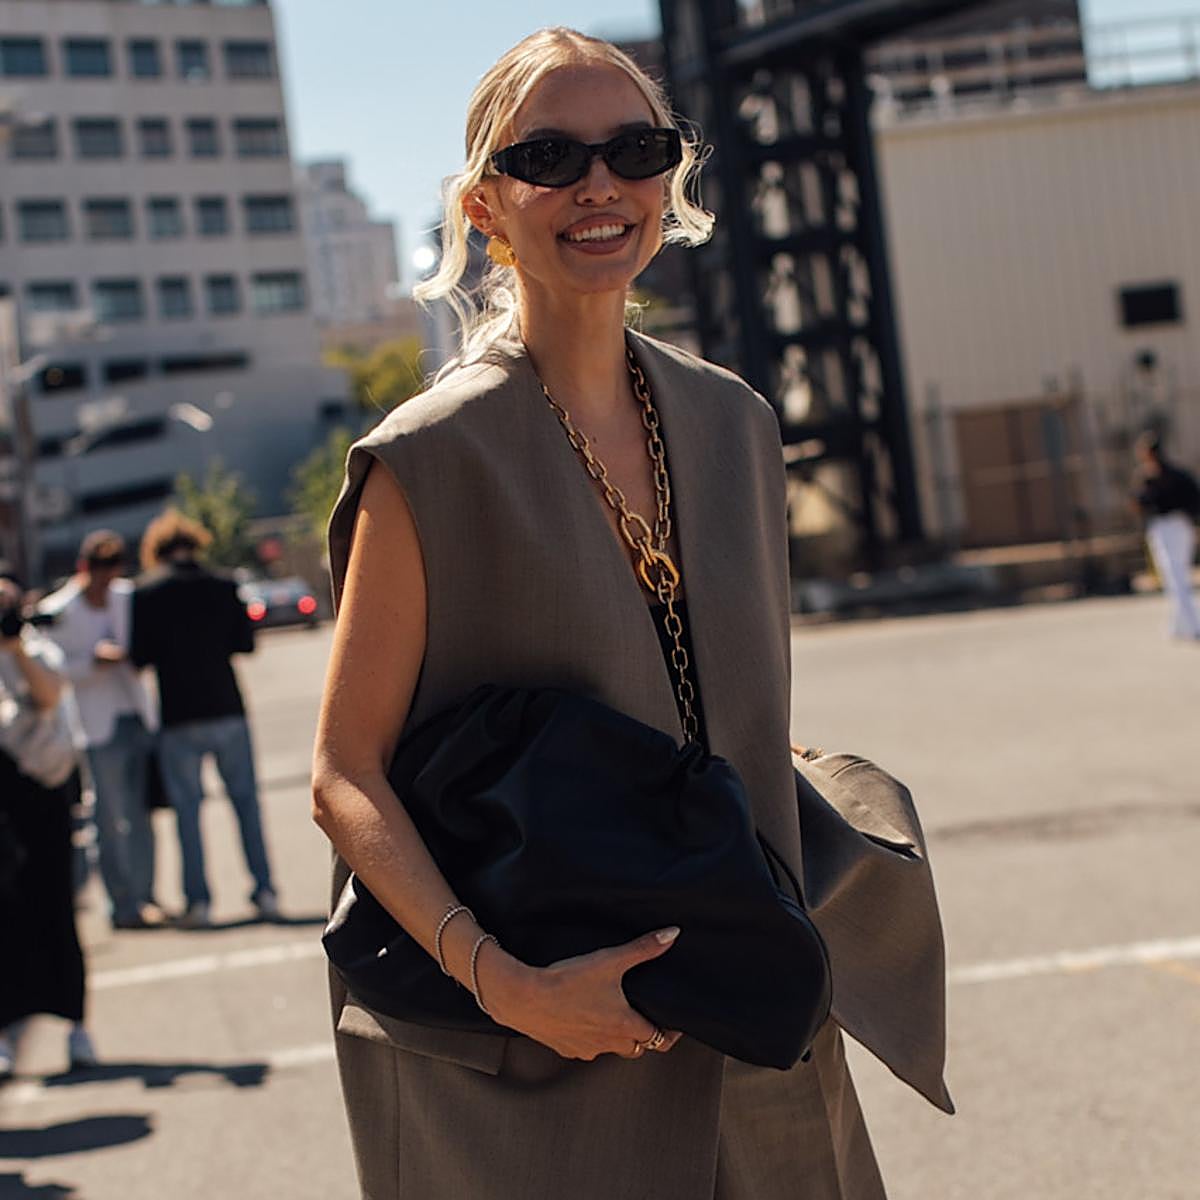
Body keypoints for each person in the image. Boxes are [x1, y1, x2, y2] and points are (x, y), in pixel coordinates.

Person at [312, 29, 948, 1199]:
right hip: (537, 1053)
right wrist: (504, 981)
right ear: (486, 204)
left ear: (670, 180)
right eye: (549, 156)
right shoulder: (429, 461)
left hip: (754, 1022)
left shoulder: (734, 426)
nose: (598, 186)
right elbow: (344, 774)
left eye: (634, 150)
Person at [130, 511, 279, 928]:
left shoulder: (147, 593)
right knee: (246, 804)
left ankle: (199, 901)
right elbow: (245, 644)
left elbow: (140, 656)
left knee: (188, 814)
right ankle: (264, 890)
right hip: (227, 706)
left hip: (178, 713)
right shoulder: (224, 584)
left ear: (157, 551)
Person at [39, 531, 164, 929]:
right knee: (107, 818)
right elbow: (52, 671)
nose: (107, 585)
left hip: (135, 711)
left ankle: (145, 894)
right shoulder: (58, 609)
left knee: (141, 814)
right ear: (85, 570)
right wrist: (94, 660)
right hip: (95, 723)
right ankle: (121, 902)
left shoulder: (127, 597)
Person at [0, 566, 98, 1078]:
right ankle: (6, 1034)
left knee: (57, 908)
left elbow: (47, 696)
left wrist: (13, 647)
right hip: (5, 801)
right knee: (6, 919)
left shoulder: (37, 650)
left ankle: (77, 1026)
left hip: (45, 794)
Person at [1131, 430, 1200, 640]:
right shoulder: (1168, 475)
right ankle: (1180, 624)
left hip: (1170, 528)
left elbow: (1139, 504)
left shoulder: (1152, 478)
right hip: (1180, 527)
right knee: (1175, 576)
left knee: (1175, 575)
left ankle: (1192, 624)